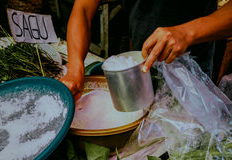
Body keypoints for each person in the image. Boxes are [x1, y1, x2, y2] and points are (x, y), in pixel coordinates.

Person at [60, 0, 232, 100]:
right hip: (141, 69)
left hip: (191, 76)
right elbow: (83, 8)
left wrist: (186, 33)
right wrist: (75, 69)